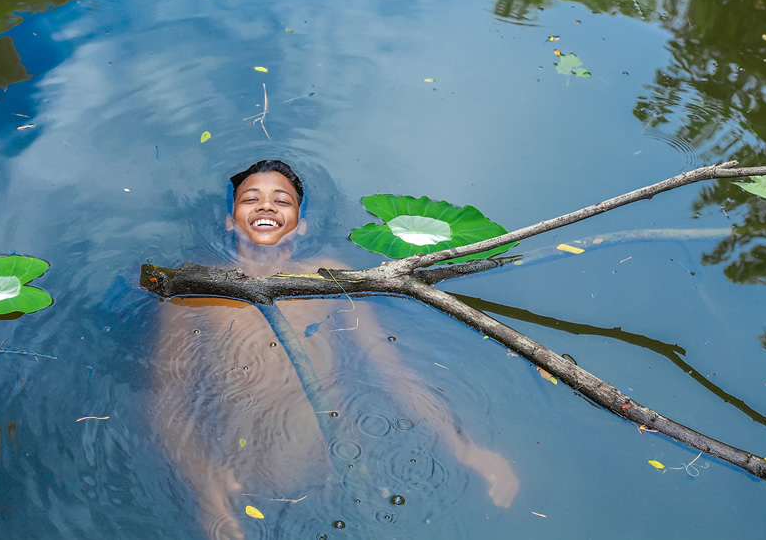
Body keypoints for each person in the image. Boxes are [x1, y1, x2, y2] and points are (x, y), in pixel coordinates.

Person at [152, 160, 518, 539]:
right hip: (239, 472)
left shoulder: (326, 277)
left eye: (282, 200)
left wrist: (466, 449)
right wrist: (203, 484)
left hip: (331, 470)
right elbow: (169, 401)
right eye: (250, 199)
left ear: (301, 224)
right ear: (230, 221)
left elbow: (391, 370)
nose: (266, 206)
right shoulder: (197, 290)